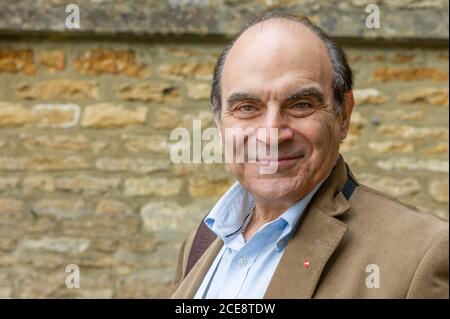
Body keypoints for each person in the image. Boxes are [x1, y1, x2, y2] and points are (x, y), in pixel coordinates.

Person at [171, 14, 449, 299]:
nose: (272, 134)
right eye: (246, 107)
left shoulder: (423, 255)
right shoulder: (201, 243)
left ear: (344, 115)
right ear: (219, 121)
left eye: (301, 105)